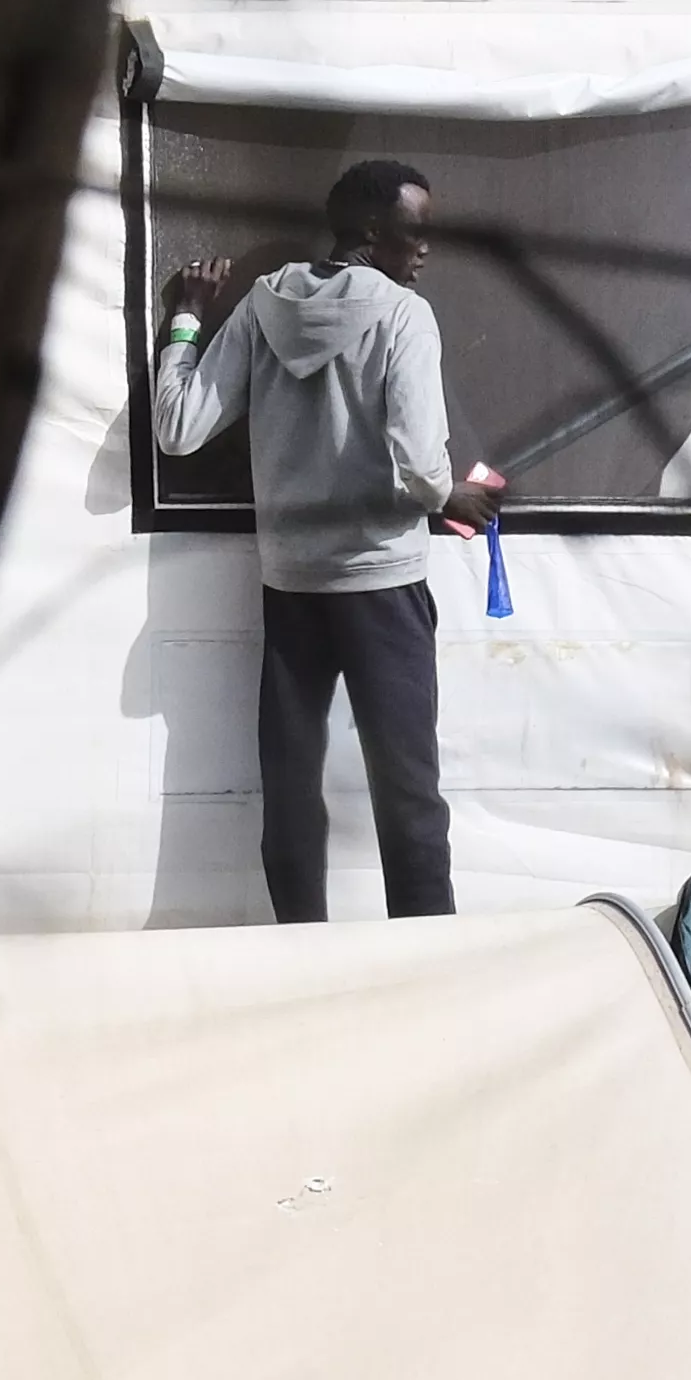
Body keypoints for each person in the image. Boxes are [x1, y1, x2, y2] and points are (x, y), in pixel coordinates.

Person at [153, 159, 502, 923]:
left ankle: (301, 955)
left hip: (292, 587)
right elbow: (420, 463)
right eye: (417, 230)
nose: (427, 247)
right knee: (408, 795)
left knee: (290, 790)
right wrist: (454, 494)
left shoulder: (261, 305)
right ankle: (428, 958)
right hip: (383, 587)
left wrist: (186, 318)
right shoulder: (405, 315)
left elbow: (177, 429)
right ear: (373, 232)